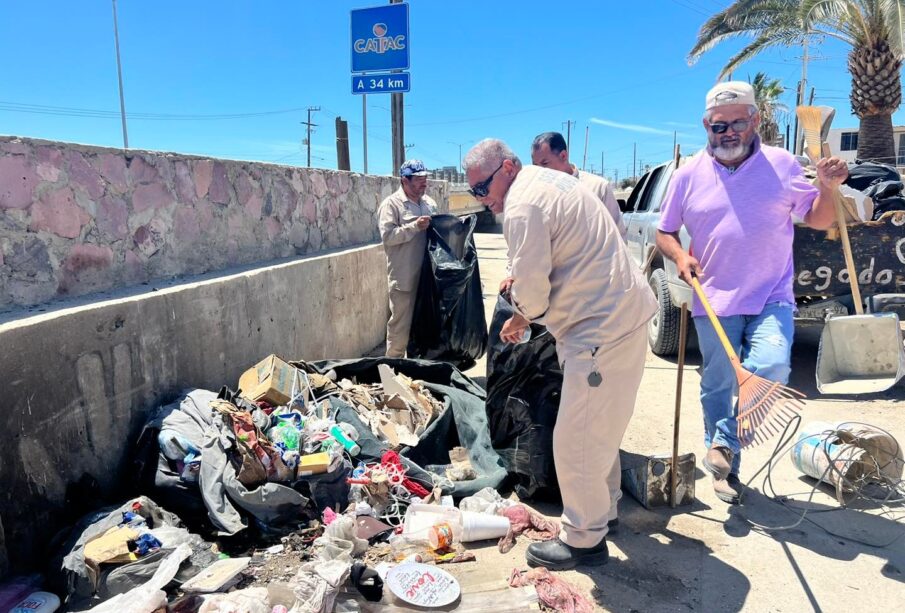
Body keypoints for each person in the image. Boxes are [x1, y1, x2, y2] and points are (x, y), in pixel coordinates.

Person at [464, 138, 657, 571]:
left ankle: (584, 541)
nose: (483, 198)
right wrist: (527, 310)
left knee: (575, 440)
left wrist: (521, 314)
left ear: (508, 168)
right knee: (599, 430)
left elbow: (532, 288)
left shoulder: (521, 205)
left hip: (600, 329)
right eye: (475, 191)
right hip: (620, 315)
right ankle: (603, 513)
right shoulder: (548, 183)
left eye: (483, 188)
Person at [655, 81, 848, 504]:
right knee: (718, 385)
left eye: (737, 122)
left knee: (772, 367)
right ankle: (727, 470)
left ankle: (724, 443)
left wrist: (828, 189)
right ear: (706, 125)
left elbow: (816, 220)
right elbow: (664, 231)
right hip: (712, 296)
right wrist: (679, 258)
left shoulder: (782, 165)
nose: (727, 132)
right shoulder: (687, 174)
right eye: (717, 125)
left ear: (756, 120)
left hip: (770, 295)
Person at [377, 159, 437, 358]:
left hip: (428, 279)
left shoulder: (430, 204)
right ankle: (392, 370)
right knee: (400, 328)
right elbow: (388, 237)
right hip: (404, 279)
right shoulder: (391, 205)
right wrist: (414, 227)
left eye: (425, 178)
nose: (424, 182)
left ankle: (418, 370)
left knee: (425, 326)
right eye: (419, 179)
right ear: (405, 180)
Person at [531, 131, 627, 239]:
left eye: (544, 163)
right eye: (535, 165)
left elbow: (618, 236)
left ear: (563, 156)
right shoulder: (536, 195)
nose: (540, 171)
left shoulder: (598, 187)